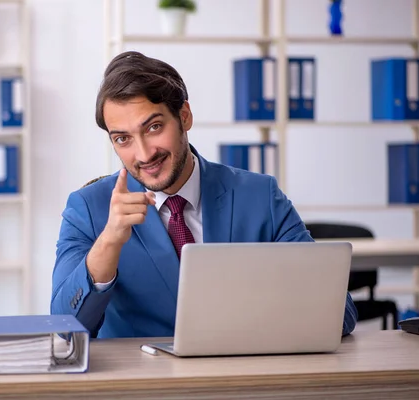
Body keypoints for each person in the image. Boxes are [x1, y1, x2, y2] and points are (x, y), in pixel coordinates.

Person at [50, 51, 358, 339]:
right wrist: (109, 242)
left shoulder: (260, 196)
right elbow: (65, 330)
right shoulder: (88, 209)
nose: (143, 154)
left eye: (154, 127)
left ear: (184, 116)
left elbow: (339, 314)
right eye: (123, 139)